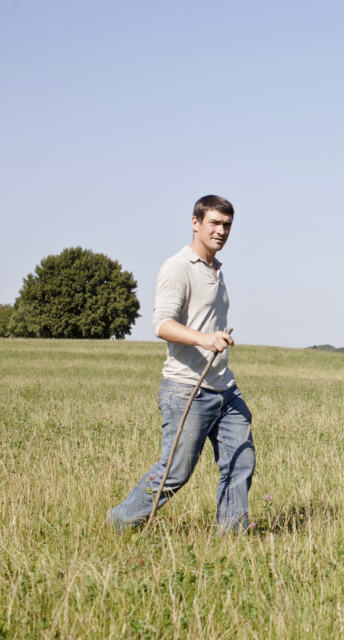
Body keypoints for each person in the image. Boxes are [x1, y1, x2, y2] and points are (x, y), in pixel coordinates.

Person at [108, 195, 255, 533]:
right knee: (175, 472)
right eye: (214, 223)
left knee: (240, 459)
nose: (221, 231)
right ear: (195, 222)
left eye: (227, 225)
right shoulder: (177, 267)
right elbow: (162, 324)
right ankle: (121, 521)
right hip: (186, 386)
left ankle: (231, 536)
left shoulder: (217, 270)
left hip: (224, 389)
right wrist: (206, 339)